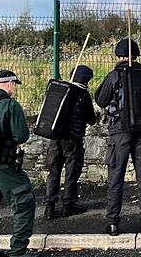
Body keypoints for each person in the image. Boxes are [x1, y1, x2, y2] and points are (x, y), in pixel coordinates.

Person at [95, 38, 141, 236]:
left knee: (116, 176)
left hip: (120, 131)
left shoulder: (114, 75)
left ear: (119, 56)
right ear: (135, 55)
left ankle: (113, 223)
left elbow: (101, 100)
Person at [0, 70, 36, 257]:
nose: (15, 88)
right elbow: (21, 136)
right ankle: (18, 251)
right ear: (9, 83)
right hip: (4, 164)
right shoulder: (10, 105)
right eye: (14, 84)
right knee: (24, 201)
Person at [44, 65, 97, 220]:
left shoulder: (60, 89)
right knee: (72, 171)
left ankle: (49, 206)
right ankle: (69, 204)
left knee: (53, 172)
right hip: (72, 139)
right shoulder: (82, 94)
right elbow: (91, 119)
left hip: (55, 138)